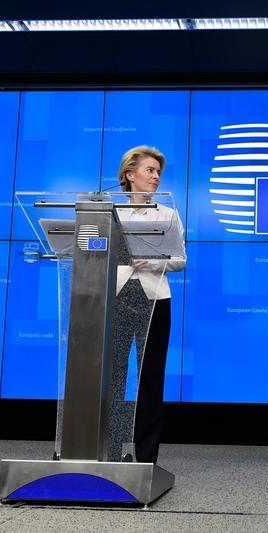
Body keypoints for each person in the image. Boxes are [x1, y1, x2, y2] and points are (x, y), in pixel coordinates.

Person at [108, 145, 185, 464]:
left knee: (150, 380)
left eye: (158, 172)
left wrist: (152, 263)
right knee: (112, 378)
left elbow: (180, 260)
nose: (155, 177)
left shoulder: (167, 213)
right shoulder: (110, 213)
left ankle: (144, 459)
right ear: (130, 175)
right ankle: (109, 452)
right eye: (149, 171)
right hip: (117, 297)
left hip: (154, 300)